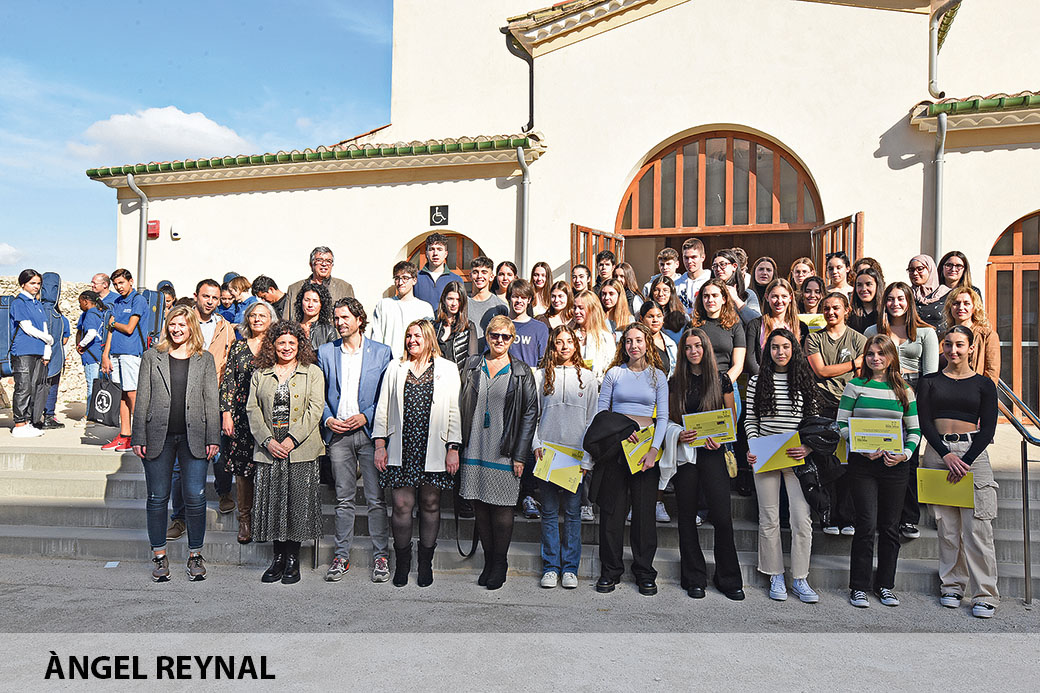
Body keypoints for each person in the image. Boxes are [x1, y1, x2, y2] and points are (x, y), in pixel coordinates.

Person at [131, 305, 219, 582]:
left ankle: (195, 555)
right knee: (157, 498)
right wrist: (138, 436)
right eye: (172, 324)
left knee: (196, 497)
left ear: (192, 327)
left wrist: (213, 437)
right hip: (158, 436)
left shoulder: (204, 359)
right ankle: (159, 556)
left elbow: (211, 401)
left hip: (195, 437)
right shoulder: (151, 357)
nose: (177, 329)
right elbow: (142, 399)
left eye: (182, 324)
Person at [917, 325, 1000, 618]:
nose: (953, 350)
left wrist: (965, 459)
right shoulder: (929, 382)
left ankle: (985, 594)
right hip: (938, 453)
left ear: (971, 348)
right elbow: (925, 422)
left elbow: (988, 428)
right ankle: (952, 586)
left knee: (977, 530)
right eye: (949, 344)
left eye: (960, 345)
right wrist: (946, 454)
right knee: (947, 528)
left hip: (972, 455)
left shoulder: (984, 384)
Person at [372, 320, 460, 587]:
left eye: (417, 336)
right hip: (403, 446)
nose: (412, 340)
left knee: (431, 504)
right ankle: (402, 564)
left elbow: (454, 411)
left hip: (434, 447)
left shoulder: (447, 368)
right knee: (401, 505)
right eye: (408, 335)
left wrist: (453, 448)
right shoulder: (395, 367)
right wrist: (380, 445)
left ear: (429, 338)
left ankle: (425, 564)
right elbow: (383, 407)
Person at [838, 334, 921, 609]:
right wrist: (858, 447)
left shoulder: (904, 390)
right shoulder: (855, 386)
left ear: (891, 357)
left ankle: (885, 585)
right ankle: (859, 587)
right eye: (871, 353)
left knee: (890, 527)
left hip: (895, 466)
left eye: (881, 353)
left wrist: (905, 454)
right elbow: (841, 424)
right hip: (863, 465)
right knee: (866, 524)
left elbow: (915, 430)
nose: (876, 358)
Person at [458, 315, 538, 590]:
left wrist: (520, 455)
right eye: (495, 335)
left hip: (504, 448)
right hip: (475, 444)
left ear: (513, 339)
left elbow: (530, 414)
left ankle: (500, 562)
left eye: (505, 336)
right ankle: (488, 561)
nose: (500, 340)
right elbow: (459, 403)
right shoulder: (472, 365)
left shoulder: (521, 371)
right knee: (480, 506)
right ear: (487, 337)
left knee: (502, 507)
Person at [590, 322, 669, 596]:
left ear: (647, 343)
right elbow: (602, 414)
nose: (633, 345)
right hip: (616, 449)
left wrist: (654, 450)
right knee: (611, 513)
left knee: (644, 515)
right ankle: (610, 571)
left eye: (638, 340)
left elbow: (663, 417)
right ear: (623, 346)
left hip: (645, 451)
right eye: (628, 341)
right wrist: (621, 433)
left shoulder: (658, 376)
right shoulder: (614, 374)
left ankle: (644, 572)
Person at [319, 297, 394, 583]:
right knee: (344, 499)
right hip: (338, 435)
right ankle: (341, 556)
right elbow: (318, 393)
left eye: (345, 317)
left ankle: (381, 556)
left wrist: (366, 416)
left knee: (375, 499)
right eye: (336, 318)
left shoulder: (381, 353)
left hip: (369, 434)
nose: (339, 323)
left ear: (359, 319)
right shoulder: (326, 352)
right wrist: (328, 419)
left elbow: (386, 394)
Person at [246, 321, 325, 585]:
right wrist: (267, 440)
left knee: (297, 504)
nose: (287, 347)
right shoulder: (261, 373)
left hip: (300, 448)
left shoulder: (312, 372)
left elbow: (315, 408)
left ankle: (293, 559)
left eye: (292, 342)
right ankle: (277, 558)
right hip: (269, 448)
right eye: (281, 342)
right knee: (273, 503)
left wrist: (292, 439)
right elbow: (252, 409)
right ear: (273, 345)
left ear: (300, 345)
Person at [669, 326, 744, 600]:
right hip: (687, 455)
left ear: (706, 348)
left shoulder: (722, 380)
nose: (693, 351)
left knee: (722, 516)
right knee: (687, 516)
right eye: (688, 347)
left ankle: (728, 578)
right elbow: (670, 419)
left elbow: (730, 419)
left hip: (713, 453)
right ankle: (694, 578)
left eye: (697, 346)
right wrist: (679, 434)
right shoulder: (675, 382)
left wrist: (721, 439)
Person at [745, 328, 819, 603]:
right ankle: (774, 574)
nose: (780, 352)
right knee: (769, 517)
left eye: (785, 347)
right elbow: (750, 419)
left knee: (801, 519)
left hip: (796, 456)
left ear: (793, 349)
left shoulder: (804, 379)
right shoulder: (757, 381)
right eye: (775, 347)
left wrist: (808, 446)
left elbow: (813, 421)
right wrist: (753, 445)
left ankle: (800, 578)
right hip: (766, 454)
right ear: (768, 351)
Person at [865, 281, 939, 539]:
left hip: (914, 392)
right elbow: (867, 368)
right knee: (880, 453)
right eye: (890, 299)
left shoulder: (926, 333)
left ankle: (908, 517)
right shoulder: (872, 330)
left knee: (908, 457)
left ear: (909, 302)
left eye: (900, 298)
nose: (895, 303)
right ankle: (881, 516)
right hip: (881, 392)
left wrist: (917, 405)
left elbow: (930, 375)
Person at [532, 325, 598, 589]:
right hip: (548, 454)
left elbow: (592, 420)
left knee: (572, 514)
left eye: (569, 341)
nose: (564, 346)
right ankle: (550, 567)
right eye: (559, 341)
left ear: (576, 344)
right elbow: (533, 414)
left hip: (574, 457)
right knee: (548, 513)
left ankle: (570, 568)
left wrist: (587, 459)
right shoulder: (540, 376)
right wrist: (535, 445)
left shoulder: (588, 377)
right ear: (552, 345)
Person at [805, 292, 866, 535]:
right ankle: (828, 516)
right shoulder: (814, 338)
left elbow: (862, 376)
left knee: (849, 462)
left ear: (846, 310)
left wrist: (855, 368)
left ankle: (847, 517)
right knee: (826, 461)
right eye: (827, 308)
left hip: (850, 405)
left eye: (836, 308)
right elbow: (820, 371)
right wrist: (852, 364)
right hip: (822, 404)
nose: (831, 312)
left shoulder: (859, 339)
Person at [219, 301, 277, 545]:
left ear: (271, 319)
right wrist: (226, 413)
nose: (257, 319)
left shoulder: (277, 345)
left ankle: (266, 521)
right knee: (243, 471)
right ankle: (245, 519)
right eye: (253, 315)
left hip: (270, 416)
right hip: (242, 417)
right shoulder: (239, 346)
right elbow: (229, 380)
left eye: (262, 315)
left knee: (267, 468)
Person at [100, 268, 149, 452]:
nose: (118, 287)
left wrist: (113, 323)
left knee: (132, 393)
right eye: (115, 284)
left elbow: (129, 328)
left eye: (121, 283)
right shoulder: (117, 301)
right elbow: (110, 331)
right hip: (115, 353)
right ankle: (125, 435)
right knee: (121, 394)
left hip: (131, 352)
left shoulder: (138, 300)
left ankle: (140, 436)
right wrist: (105, 354)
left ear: (130, 281)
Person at [9, 269, 51, 438]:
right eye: (32, 283)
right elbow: (27, 327)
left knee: (32, 388)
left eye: (38, 283)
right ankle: (19, 424)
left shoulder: (37, 303)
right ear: (23, 284)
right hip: (23, 350)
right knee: (23, 387)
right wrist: (48, 339)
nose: (36, 286)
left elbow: (44, 326)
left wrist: (47, 350)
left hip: (37, 350)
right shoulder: (19, 302)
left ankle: (27, 422)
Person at [368, 261, 435, 358]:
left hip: (415, 361)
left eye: (405, 278)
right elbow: (376, 338)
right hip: (388, 361)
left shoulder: (425, 308)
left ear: (414, 280)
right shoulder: (384, 305)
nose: (400, 282)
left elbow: (429, 340)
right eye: (397, 278)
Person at [692, 279, 746, 390]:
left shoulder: (735, 326)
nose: (710, 300)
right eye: (706, 296)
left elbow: (738, 365)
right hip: (698, 385)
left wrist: (723, 385)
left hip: (727, 383)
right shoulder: (693, 326)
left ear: (724, 299)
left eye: (715, 295)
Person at [745, 279, 801, 376]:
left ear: (790, 298)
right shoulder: (755, 325)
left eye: (784, 296)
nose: (779, 301)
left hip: (792, 379)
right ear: (767, 297)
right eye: (775, 296)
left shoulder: (800, 326)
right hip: (762, 379)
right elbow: (750, 359)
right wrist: (764, 378)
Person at [941, 288, 999, 382]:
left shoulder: (987, 335)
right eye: (956, 303)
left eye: (966, 303)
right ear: (950, 307)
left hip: (975, 388)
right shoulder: (942, 337)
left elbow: (992, 371)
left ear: (974, 307)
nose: (961, 307)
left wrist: (984, 390)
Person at [284, 246, 356, 313]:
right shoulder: (294, 289)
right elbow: (286, 319)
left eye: (328, 261)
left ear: (332, 265)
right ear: (311, 265)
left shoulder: (344, 288)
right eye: (319, 260)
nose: (324, 264)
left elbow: (352, 316)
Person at [571, 290, 615, 381]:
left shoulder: (605, 337)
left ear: (592, 309)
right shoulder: (570, 336)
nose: (576, 311)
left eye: (581, 308)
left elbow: (611, 367)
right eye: (574, 307)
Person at [467, 255, 509, 352]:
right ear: (470, 276)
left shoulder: (500, 306)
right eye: (475, 272)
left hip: (491, 356)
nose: (479, 276)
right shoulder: (463, 304)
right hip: (467, 357)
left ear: (491, 277)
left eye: (484, 272)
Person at [433, 281, 478, 368]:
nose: (454, 303)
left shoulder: (469, 327)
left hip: (459, 375)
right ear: (443, 299)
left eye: (458, 300)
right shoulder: (434, 326)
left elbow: (472, 361)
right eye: (450, 299)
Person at [507, 279, 550, 368]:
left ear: (529, 300)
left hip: (529, 375)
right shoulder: (499, 326)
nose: (519, 301)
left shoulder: (540, 328)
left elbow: (543, 360)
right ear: (509, 298)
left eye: (523, 297)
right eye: (515, 296)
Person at [414, 232, 464, 307]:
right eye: (431, 249)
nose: (435, 253)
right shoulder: (415, 278)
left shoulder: (456, 279)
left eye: (439, 249)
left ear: (446, 254)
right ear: (426, 253)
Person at [712, 249, 760, 323]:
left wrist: (736, 299)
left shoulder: (748, 294)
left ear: (734, 266)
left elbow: (757, 322)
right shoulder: (709, 294)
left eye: (723, 264)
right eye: (715, 266)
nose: (718, 269)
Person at [75, 290, 106, 405]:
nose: (80, 306)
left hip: (91, 355)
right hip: (100, 354)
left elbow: (91, 333)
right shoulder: (101, 313)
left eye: (80, 303)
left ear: (86, 301)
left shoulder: (90, 314)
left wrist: (81, 345)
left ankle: (89, 413)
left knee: (92, 386)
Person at [907, 254, 950, 329]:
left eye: (920, 269)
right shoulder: (906, 295)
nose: (915, 273)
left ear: (930, 270)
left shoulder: (947, 294)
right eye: (911, 270)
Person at [294, 281, 337, 350]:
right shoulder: (293, 328)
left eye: (315, 301)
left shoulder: (328, 331)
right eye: (307, 300)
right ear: (301, 302)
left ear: (321, 304)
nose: (310, 305)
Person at [647, 275, 689, 345]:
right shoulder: (644, 314)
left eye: (665, 290)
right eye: (657, 290)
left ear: (671, 293)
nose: (660, 294)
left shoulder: (682, 317)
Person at [639, 302, 678, 377]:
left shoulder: (670, 343)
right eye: (650, 316)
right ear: (641, 319)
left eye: (659, 316)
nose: (655, 320)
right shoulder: (636, 343)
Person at [674, 238, 712, 310]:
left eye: (693, 257)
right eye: (686, 258)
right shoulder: (676, 284)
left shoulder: (711, 279)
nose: (689, 261)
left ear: (703, 257)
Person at [849, 268, 884, 334]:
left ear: (877, 286)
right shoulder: (850, 314)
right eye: (859, 285)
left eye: (868, 284)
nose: (864, 289)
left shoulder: (885, 313)